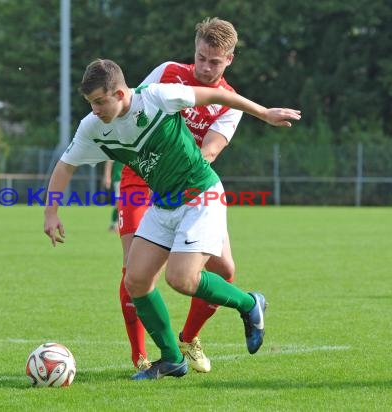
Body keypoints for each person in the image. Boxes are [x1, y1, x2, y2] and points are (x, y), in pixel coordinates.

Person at [44, 58, 300, 380]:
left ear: (121, 94)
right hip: (163, 204)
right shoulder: (92, 127)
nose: (94, 109)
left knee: (182, 279)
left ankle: (249, 303)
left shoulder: (157, 97)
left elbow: (219, 97)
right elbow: (66, 165)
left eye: (99, 101)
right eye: (90, 103)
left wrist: (263, 113)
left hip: (201, 196)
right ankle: (171, 359)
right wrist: (51, 212)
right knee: (135, 280)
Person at [117, 17, 245, 373]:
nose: (205, 67)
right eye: (201, 57)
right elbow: (130, 111)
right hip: (141, 180)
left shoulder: (229, 102)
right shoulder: (168, 72)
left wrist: (179, 175)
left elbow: (210, 152)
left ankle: (189, 338)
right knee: (135, 271)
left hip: (190, 184)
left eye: (214, 61)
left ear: (229, 60)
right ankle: (141, 355)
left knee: (225, 269)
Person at [103, 160, 123, 232]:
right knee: (119, 202)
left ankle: (117, 224)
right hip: (119, 178)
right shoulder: (116, 149)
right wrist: (107, 177)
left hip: (129, 179)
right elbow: (109, 162)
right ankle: (114, 224)